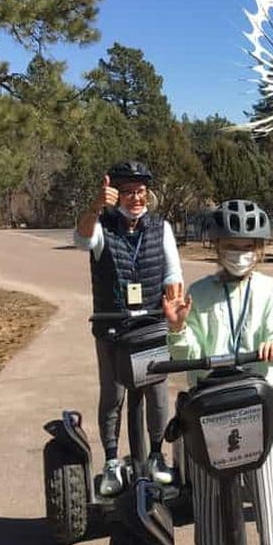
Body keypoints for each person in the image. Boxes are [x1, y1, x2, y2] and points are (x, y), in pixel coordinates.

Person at [162, 199, 273, 545]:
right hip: (209, 403)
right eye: (231, 246)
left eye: (247, 247)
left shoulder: (270, 289)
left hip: (254, 398)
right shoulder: (199, 293)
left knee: (264, 479)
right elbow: (186, 354)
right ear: (216, 247)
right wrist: (177, 328)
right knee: (207, 486)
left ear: (259, 249)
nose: (239, 253)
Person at [74, 161, 182, 495]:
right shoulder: (102, 225)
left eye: (140, 191)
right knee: (113, 394)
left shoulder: (160, 227)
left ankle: (155, 455)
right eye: (127, 192)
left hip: (150, 324)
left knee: (157, 391)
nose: (135, 198)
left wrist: (174, 297)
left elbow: (172, 271)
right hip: (112, 327)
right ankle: (110, 460)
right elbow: (81, 240)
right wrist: (95, 207)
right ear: (116, 195)